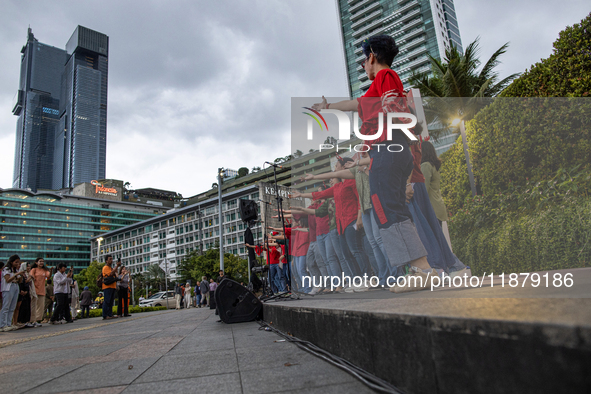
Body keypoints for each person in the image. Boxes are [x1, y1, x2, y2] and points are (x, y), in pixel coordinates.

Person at [313, 35, 434, 292]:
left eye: (363, 62)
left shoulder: (385, 76)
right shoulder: (378, 86)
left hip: (388, 149)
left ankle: (422, 270)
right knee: (389, 210)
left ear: (371, 57)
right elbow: (357, 104)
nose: (364, 68)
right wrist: (329, 107)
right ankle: (419, 269)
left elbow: (393, 107)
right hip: (389, 151)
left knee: (387, 210)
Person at [1, 255, 25, 331]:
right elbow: (8, 280)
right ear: (11, 262)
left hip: (15, 287)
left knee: (12, 307)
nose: (17, 264)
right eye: (16, 262)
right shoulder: (6, 269)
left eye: (18, 262)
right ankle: (2, 324)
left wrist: (21, 275)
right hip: (8, 288)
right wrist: (16, 274)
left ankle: (8, 323)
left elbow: (19, 281)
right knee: (6, 307)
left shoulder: (15, 270)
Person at [29, 258, 51, 325]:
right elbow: (31, 277)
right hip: (34, 290)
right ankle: (32, 320)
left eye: (43, 261)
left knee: (41, 306)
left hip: (42, 290)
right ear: (36, 262)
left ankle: (37, 320)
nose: (42, 262)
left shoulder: (45, 270)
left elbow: (48, 276)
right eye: (40, 261)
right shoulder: (34, 269)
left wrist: (51, 271)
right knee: (33, 306)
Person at [101, 255, 120, 320]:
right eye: (110, 259)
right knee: (107, 301)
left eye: (112, 259)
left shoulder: (111, 268)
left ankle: (109, 314)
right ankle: (105, 315)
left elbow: (115, 275)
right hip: (107, 287)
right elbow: (110, 274)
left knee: (111, 301)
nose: (111, 260)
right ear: (106, 261)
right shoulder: (105, 267)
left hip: (112, 286)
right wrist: (117, 266)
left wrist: (116, 268)